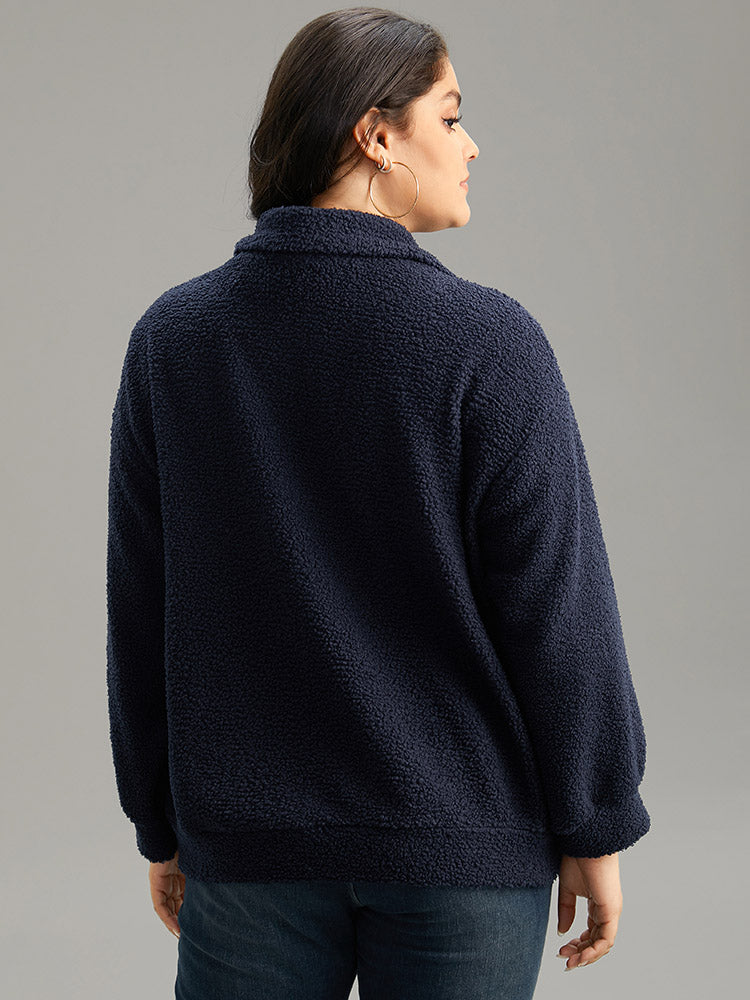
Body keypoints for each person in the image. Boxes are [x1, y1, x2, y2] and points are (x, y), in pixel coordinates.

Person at [106, 7, 651, 999]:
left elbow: (143, 607)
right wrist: (595, 822)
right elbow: (557, 610)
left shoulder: (175, 341)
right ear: (375, 134)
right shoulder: (488, 343)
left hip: (251, 850)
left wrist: (160, 819)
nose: (472, 145)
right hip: (463, 846)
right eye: (451, 115)